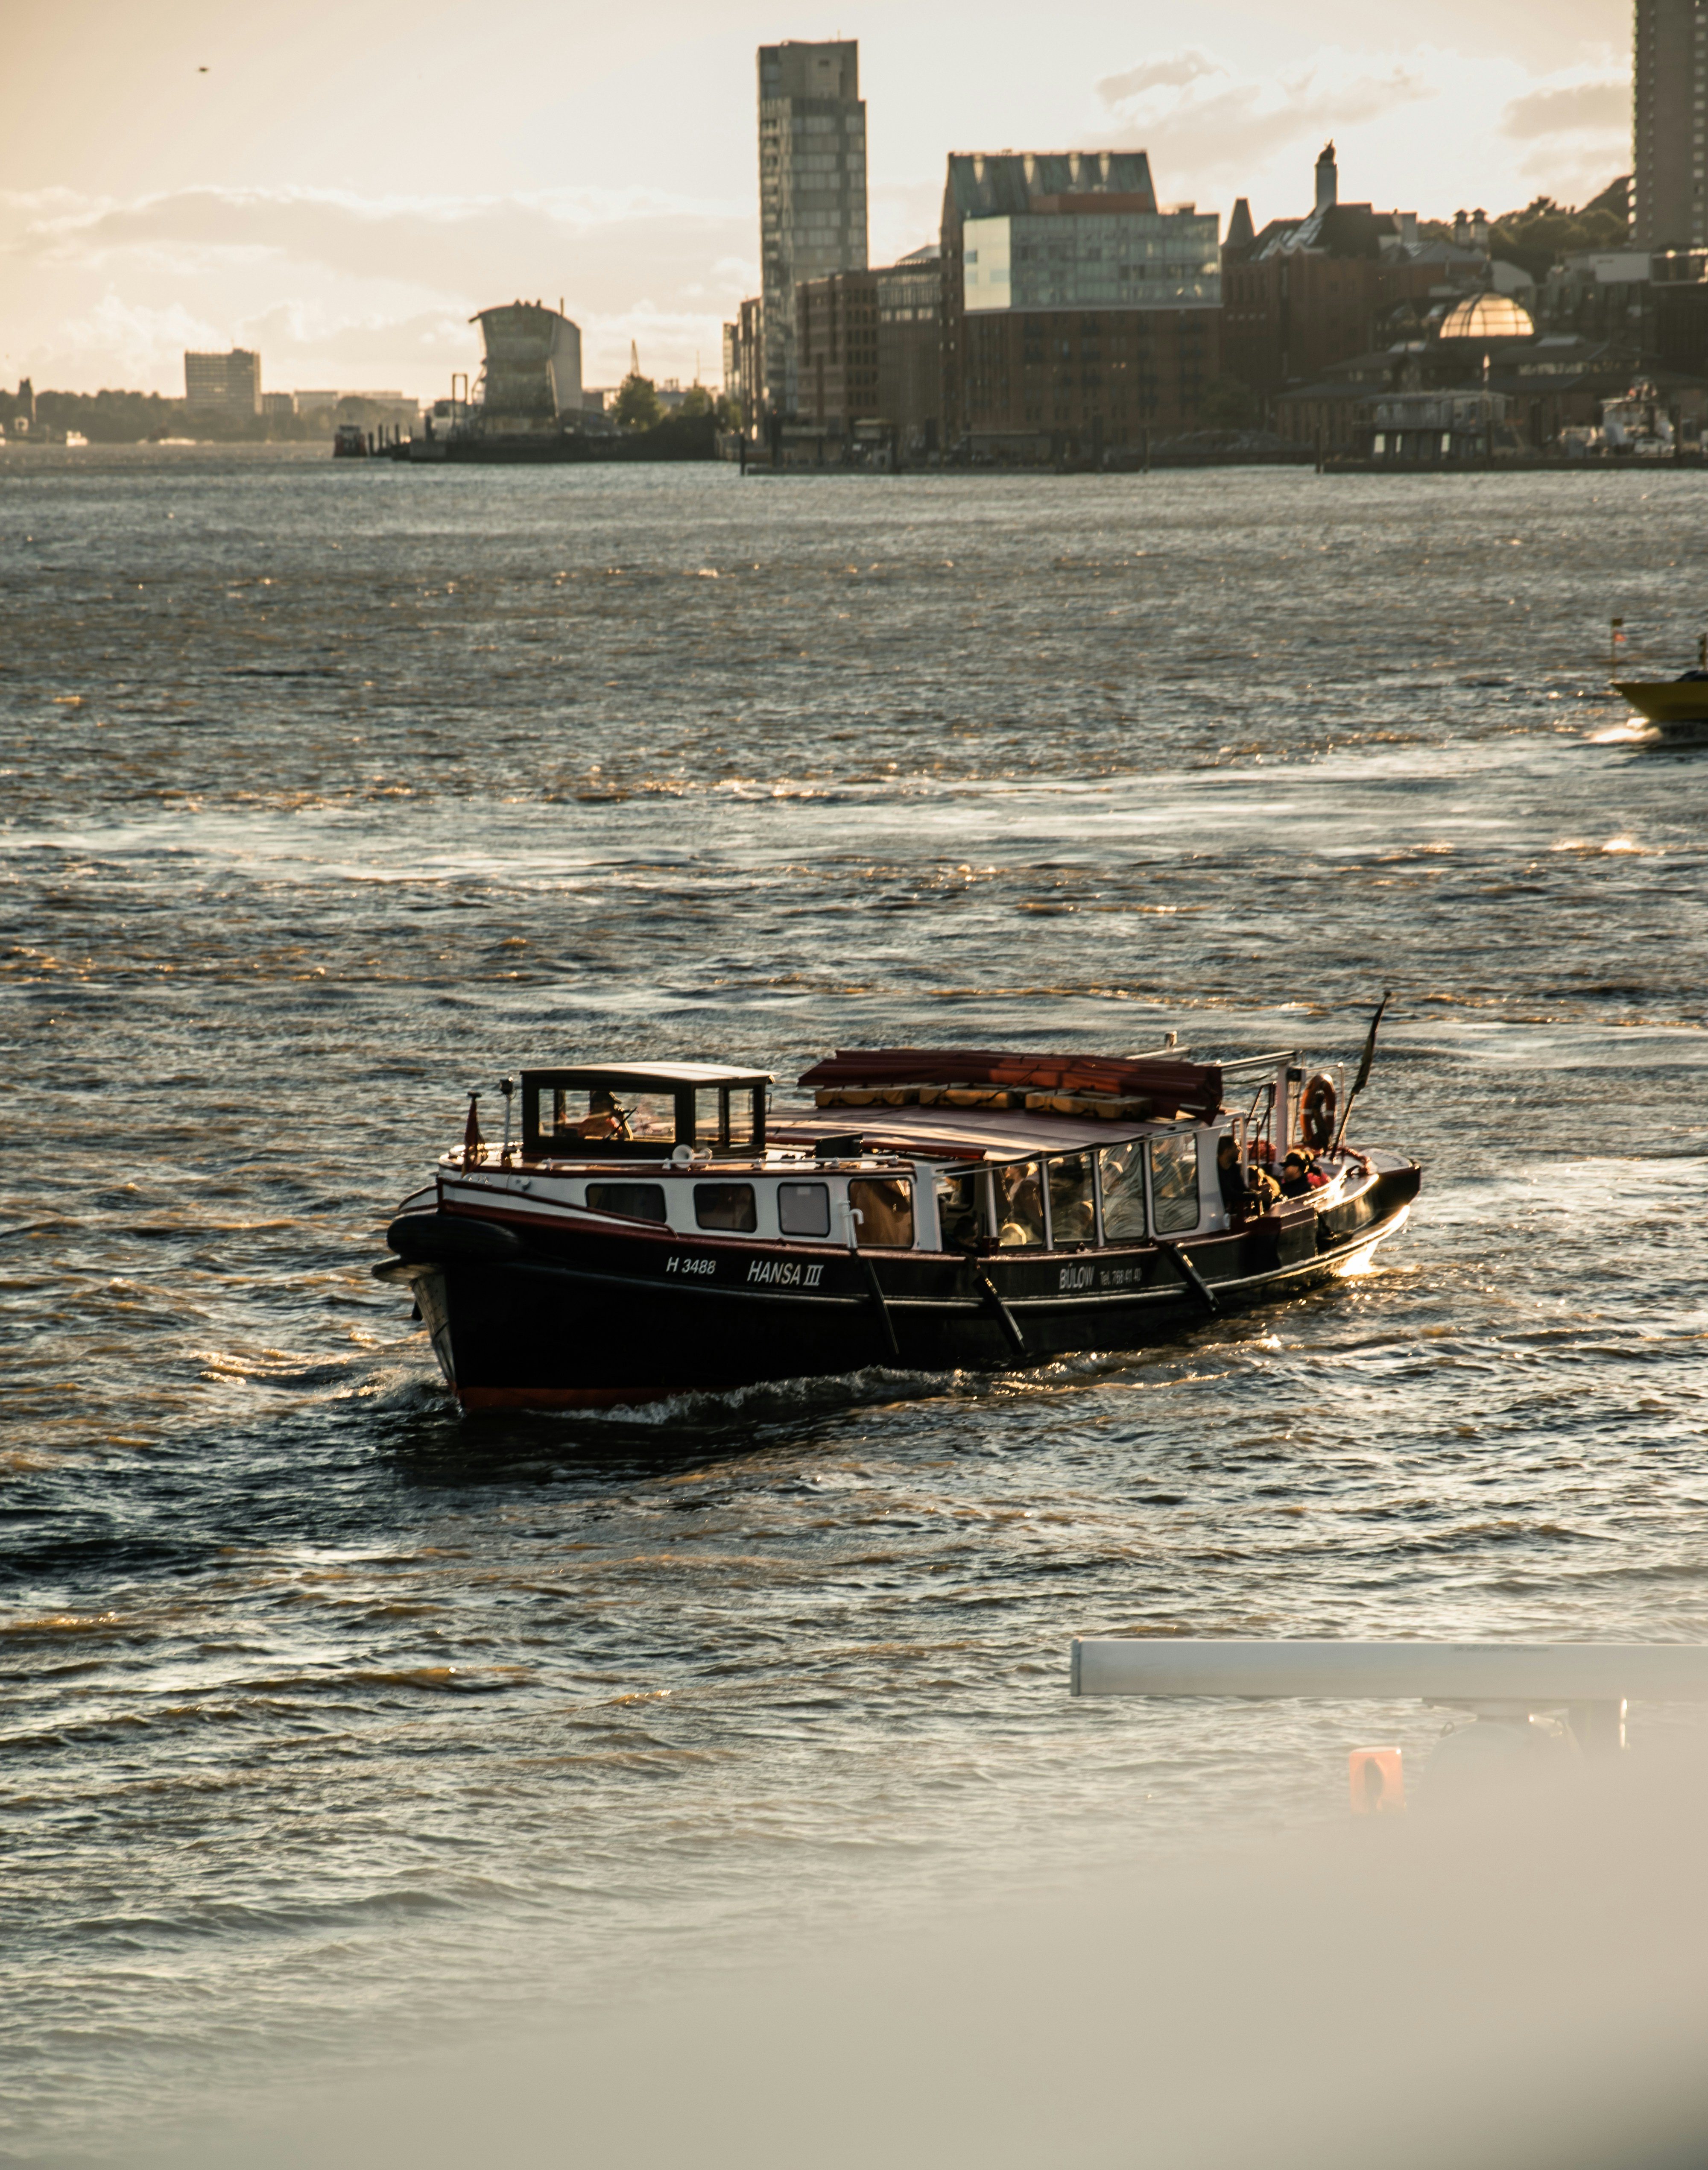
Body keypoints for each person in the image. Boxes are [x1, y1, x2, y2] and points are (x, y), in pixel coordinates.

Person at [1216, 1134, 1249, 1220]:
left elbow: (1243, 1190)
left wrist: (1259, 1194)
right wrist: (1257, 1196)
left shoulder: (1234, 1168)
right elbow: (1229, 1193)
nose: (1240, 1150)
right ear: (1228, 1151)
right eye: (1236, 1147)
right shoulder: (1214, 1170)